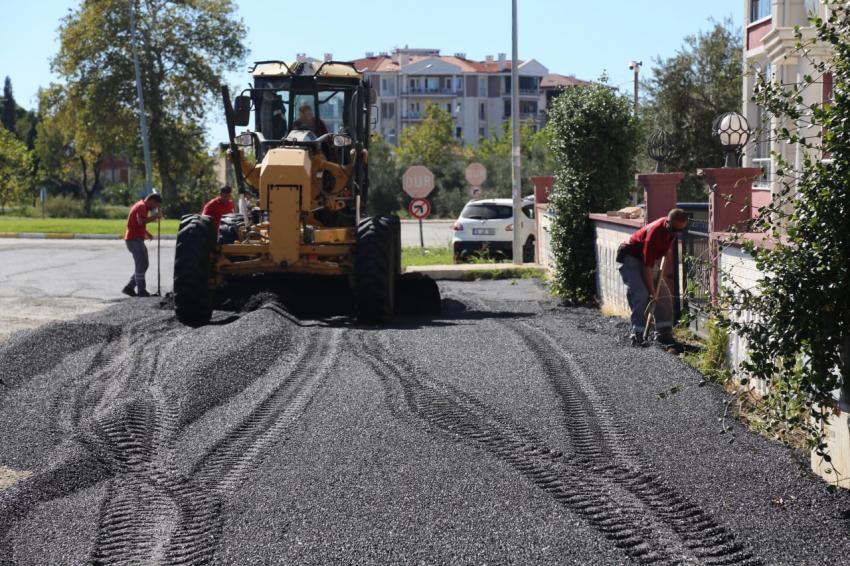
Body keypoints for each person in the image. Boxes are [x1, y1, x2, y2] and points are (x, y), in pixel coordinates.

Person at [617, 208, 689, 346]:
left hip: (645, 261)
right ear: (668, 222)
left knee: (664, 296)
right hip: (631, 258)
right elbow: (646, 267)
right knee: (642, 294)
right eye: (674, 229)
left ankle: (664, 333)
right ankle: (638, 333)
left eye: (680, 230)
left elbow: (662, 249)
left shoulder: (670, 230)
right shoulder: (655, 233)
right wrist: (651, 291)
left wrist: (664, 251)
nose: (676, 233)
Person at [123, 193, 162, 297]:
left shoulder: (142, 206)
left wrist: (146, 233)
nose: (156, 207)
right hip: (134, 240)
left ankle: (130, 287)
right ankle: (141, 290)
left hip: (136, 239)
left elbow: (138, 224)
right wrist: (155, 217)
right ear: (151, 201)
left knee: (144, 264)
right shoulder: (142, 206)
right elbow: (141, 221)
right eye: (156, 205)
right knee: (141, 265)